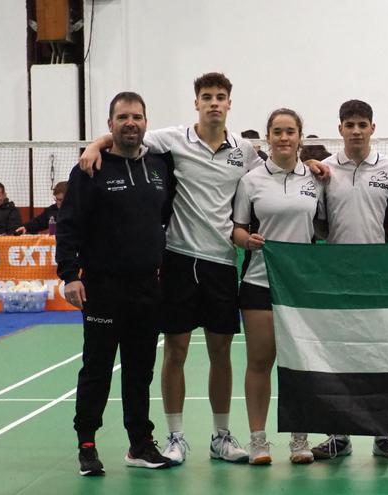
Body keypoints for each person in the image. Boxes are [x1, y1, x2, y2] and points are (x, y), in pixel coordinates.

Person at [79, 73, 260, 466]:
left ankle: (221, 436)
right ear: (196, 102)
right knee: (175, 350)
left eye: (221, 97)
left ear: (230, 103)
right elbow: (126, 133)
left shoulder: (244, 151)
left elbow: (273, 172)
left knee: (221, 353)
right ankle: (175, 436)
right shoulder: (172, 139)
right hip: (178, 258)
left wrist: (313, 165)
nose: (214, 102)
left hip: (222, 263)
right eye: (207, 97)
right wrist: (95, 144)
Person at [56, 91, 175, 476]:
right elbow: (69, 226)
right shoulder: (90, 169)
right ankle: (87, 444)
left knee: (140, 370)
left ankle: (139, 442)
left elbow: (166, 216)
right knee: (97, 369)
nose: (131, 123)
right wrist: (70, 276)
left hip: (147, 288)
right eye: (122, 117)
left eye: (137, 117)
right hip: (103, 288)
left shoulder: (160, 166)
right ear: (110, 125)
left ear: (146, 122)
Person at [309, 100, 388, 461]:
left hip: (378, 278)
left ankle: (385, 435)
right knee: (339, 355)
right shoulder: (324, 171)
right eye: (349, 124)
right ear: (340, 129)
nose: (355, 130)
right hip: (338, 278)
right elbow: (319, 224)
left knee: (379, 355)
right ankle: (338, 434)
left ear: (372, 128)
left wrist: (378, 252)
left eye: (361, 124)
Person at [232, 108, 325, 465]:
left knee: (297, 363)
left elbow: (324, 225)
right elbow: (237, 228)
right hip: (258, 282)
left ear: (300, 137)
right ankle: (258, 440)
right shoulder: (251, 181)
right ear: (267, 138)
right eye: (277, 131)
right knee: (260, 362)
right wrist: (246, 241)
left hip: (299, 287)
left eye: (290, 131)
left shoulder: (315, 179)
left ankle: (299, 438)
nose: (284, 137)